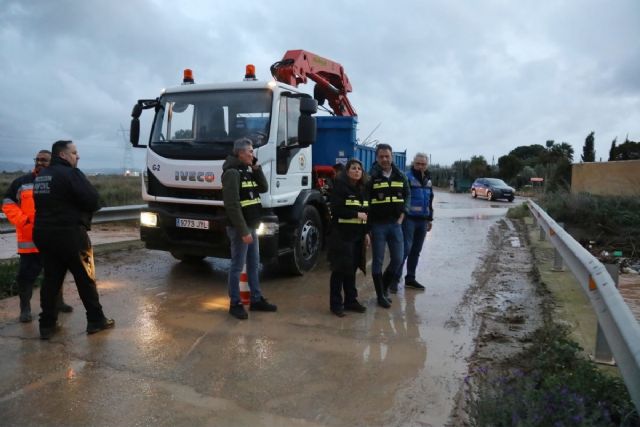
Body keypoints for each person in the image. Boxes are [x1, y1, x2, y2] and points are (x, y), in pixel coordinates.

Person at [33, 140, 114, 339]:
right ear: (63, 155)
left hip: (43, 234)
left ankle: (47, 325)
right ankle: (96, 320)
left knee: (51, 279)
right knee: (85, 278)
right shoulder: (70, 173)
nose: (77, 156)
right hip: (69, 234)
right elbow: (93, 200)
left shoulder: (42, 176)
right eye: (74, 152)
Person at [2, 150, 72, 322]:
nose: (39, 163)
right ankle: (25, 309)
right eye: (37, 159)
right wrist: (23, 221)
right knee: (25, 276)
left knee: (56, 273)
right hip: (29, 241)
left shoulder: (59, 181)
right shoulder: (22, 182)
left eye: (44, 160)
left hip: (54, 239)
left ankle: (58, 302)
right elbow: (8, 203)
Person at [222, 138, 277, 319]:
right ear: (240, 153)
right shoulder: (232, 173)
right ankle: (235, 303)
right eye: (250, 152)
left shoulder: (246, 170)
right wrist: (243, 230)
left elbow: (263, 187)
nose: (252, 154)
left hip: (252, 225)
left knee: (254, 264)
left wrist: (256, 168)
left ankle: (256, 299)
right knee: (237, 266)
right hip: (241, 228)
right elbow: (232, 205)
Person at [367, 143, 410, 308]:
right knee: (377, 261)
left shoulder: (400, 176)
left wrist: (403, 213)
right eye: (381, 156)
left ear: (392, 157)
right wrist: (368, 227)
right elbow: (366, 200)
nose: (384, 159)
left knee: (398, 258)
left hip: (395, 224)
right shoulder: (371, 177)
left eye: (387, 156)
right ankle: (380, 296)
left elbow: (408, 194)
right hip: (378, 225)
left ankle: (383, 288)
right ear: (377, 158)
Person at [327, 159, 369, 317]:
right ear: (347, 171)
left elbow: (366, 213)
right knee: (339, 270)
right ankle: (336, 304)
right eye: (353, 168)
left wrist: (366, 233)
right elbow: (336, 209)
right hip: (341, 235)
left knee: (352, 269)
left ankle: (351, 300)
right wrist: (355, 214)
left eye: (359, 168)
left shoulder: (362, 189)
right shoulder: (340, 187)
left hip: (357, 234)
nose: (357, 171)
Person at [397, 153, 434, 290]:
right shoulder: (407, 177)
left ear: (427, 165)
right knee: (405, 250)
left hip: (423, 221)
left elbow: (430, 200)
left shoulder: (428, 179)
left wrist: (430, 218)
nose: (420, 166)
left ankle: (410, 279)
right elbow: (401, 198)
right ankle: (395, 279)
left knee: (416, 251)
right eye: (418, 163)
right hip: (409, 219)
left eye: (423, 164)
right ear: (413, 164)